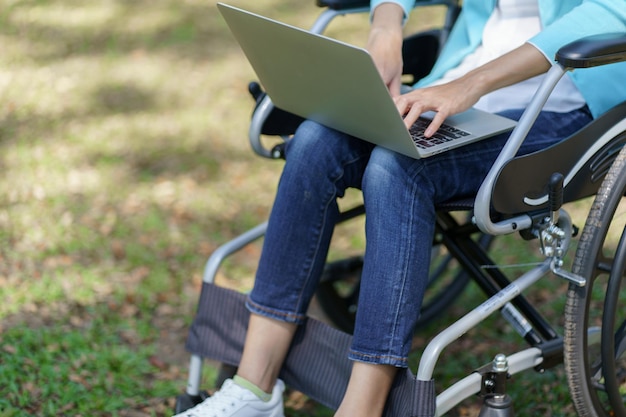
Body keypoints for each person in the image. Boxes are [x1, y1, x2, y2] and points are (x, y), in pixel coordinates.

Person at [174, 1, 626, 416]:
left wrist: (468, 86)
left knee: (399, 164)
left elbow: (608, 13)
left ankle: (363, 408)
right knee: (315, 140)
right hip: (456, 89)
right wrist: (386, 26)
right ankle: (254, 389)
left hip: (561, 105)